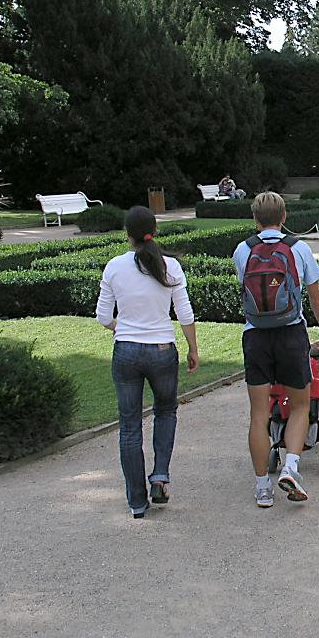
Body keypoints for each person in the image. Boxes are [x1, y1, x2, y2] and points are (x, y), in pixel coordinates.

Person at [96, 206, 199, 519]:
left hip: (126, 351)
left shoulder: (115, 267)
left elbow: (103, 316)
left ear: (127, 234)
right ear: (154, 230)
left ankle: (137, 501)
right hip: (162, 349)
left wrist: (123, 328)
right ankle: (160, 476)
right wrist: (193, 348)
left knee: (129, 426)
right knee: (165, 411)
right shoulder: (170, 266)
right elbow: (185, 313)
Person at [233, 192, 319, 508]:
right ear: (284, 217)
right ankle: (290, 467)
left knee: (259, 414)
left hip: (256, 336)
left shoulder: (243, 250)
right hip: (291, 334)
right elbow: (314, 295)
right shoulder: (299, 249)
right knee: (300, 405)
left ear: (255, 219)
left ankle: (263, 487)